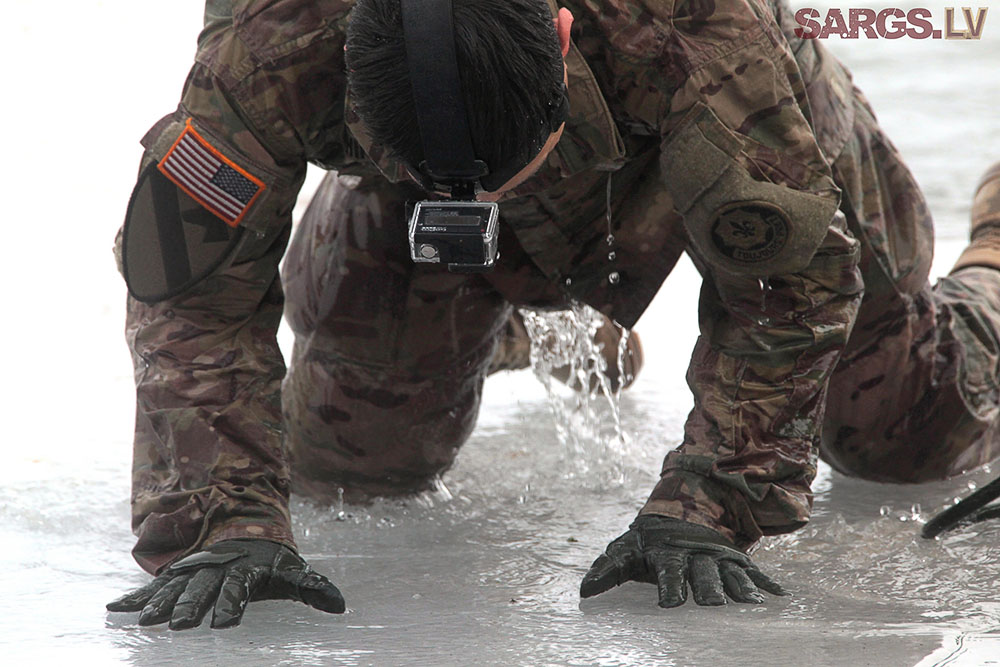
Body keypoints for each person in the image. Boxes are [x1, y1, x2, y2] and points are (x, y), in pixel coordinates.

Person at [106, 0, 1000, 630]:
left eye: (498, 179)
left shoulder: (701, 25)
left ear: (564, 34)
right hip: (404, 184)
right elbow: (191, 289)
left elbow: (792, 288)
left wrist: (712, 497)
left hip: (715, 137)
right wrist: (223, 520)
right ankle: (517, 321)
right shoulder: (271, 41)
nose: (481, 204)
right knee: (357, 459)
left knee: (901, 425)